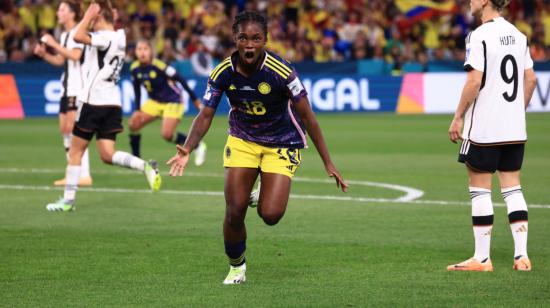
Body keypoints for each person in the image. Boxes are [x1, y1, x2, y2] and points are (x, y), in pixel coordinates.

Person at [167, 11, 348, 284]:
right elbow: (205, 114)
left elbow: (308, 116)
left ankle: (264, 187)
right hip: (243, 140)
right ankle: (237, 267)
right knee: (234, 209)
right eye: (243, 38)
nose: (249, 44)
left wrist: (328, 162)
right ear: (235, 39)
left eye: (255, 38)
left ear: (265, 40)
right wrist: (188, 148)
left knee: (270, 215)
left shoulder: (282, 72)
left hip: (282, 143)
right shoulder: (223, 72)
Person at [447, 0, 537, 272]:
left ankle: (482, 258)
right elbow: (531, 80)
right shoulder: (519, 36)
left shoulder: (479, 35)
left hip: (485, 127)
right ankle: (522, 257)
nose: (470, 1)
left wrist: (458, 115)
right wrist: (514, 112)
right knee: (513, 188)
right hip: (513, 128)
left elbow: (474, 81)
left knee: (479, 189)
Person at [46, 0, 161, 212]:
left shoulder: (104, 38)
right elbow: (96, 29)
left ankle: (68, 201)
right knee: (107, 155)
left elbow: (78, 36)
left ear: (99, 18)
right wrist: (100, 13)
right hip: (112, 103)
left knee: (75, 152)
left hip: (94, 102)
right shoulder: (120, 36)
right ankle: (145, 166)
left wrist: (89, 15)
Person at [34, 0, 93, 187]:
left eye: (62, 9)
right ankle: (73, 172)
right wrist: (45, 55)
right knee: (65, 130)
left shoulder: (78, 32)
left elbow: (75, 56)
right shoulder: (66, 34)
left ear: (72, 14)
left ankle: (83, 174)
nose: (58, 13)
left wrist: (52, 43)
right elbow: (62, 60)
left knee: (75, 131)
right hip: (66, 87)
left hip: (77, 87)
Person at [128, 39, 207, 166]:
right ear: (135, 52)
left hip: (172, 101)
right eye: (139, 49)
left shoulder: (160, 66)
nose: (142, 52)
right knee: (133, 123)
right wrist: (137, 109)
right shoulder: (134, 68)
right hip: (154, 102)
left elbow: (180, 79)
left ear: (151, 51)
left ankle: (197, 146)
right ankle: (136, 160)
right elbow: (136, 88)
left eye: (145, 49)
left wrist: (194, 99)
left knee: (166, 134)